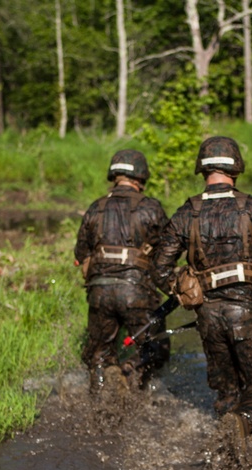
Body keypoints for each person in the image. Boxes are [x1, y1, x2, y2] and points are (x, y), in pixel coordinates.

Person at [152, 136, 252, 452]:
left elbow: (159, 269)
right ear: (237, 168)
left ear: (202, 169)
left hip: (208, 318)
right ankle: (245, 423)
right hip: (248, 314)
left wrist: (182, 290)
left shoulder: (185, 213)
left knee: (227, 392)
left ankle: (228, 457)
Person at [74, 149, 170, 392]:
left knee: (99, 355)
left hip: (99, 294)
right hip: (137, 292)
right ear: (141, 177)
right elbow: (169, 252)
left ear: (114, 175)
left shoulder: (95, 208)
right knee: (155, 349)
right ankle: (129, 372)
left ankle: (98, 408)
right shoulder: (151, 208)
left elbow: (80, 254)